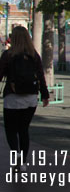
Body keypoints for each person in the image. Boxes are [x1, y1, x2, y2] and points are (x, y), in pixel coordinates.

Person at [0, 26, 49, 172]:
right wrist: (45, 95)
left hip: (12, 97)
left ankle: (16, 159)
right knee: (23, 130)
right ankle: (23, 161)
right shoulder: (34, 55)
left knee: (10, 130)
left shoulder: (8, 55)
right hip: (31, 98)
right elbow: (41, 76)